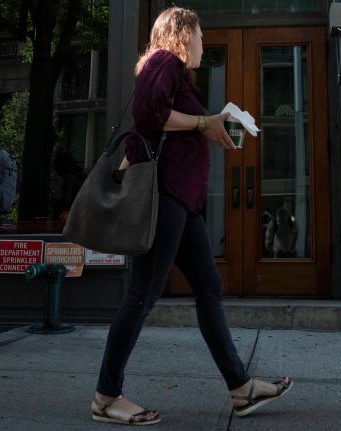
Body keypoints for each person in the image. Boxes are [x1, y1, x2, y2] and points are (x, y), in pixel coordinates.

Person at [90, 7, 292, 426]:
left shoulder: (171, 71)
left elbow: (155, 129)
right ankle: (106, 396)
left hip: (181, 201)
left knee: (208, 287)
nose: (203, 42)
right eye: (200, 35)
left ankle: (240, 388)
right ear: (183, 35)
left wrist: (209, 127)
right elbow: (148, 115)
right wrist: (204, 123)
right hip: (165, 197)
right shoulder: (164, 60)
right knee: (141, 296)